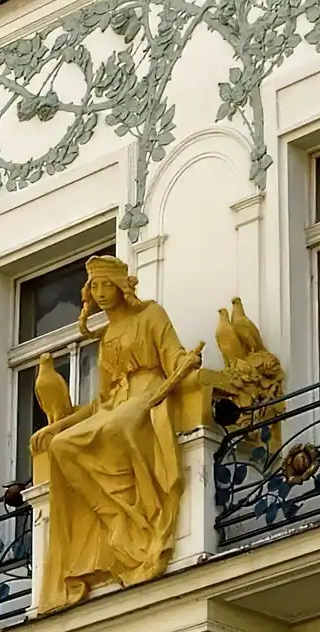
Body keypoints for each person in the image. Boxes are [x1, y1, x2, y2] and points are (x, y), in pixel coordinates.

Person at [32, 255, 202, 611]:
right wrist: (60, 425)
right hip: (116, 405)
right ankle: (114, 517)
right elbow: (101, 402)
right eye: (94, 287)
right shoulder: (106, 335)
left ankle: (142, 521)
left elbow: (173, 357)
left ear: (122, 286)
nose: (101, 292)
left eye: (106, 284)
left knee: (121, 427)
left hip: (147, 394)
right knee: (63, 446)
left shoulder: (150, 315)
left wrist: (188, 364)